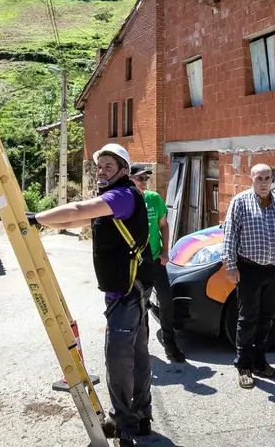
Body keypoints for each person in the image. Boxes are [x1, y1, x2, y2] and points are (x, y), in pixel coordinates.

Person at [29, 143, 151, 447]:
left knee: (118, 360)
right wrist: (41, 222)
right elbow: (76, 220)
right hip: (131, 291)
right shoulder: (110, 203)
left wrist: (35, 217)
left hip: (126, 294)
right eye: (99, 166)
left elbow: (77, 209)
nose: (101, 171)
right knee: (136, 355)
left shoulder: (121, 196)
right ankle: (141, 415)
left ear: (123, 171)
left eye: (109, 166)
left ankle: (124, 422)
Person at [222, 164, 275, 389]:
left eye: (267, 178)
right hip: (248, 270)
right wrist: (231, 266)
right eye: (259, 179)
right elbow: (230, 235)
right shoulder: (240, 202)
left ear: (272, 179)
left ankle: (259, 362)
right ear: (251, 180)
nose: (263, 183)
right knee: (247, 319)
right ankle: (243, 365)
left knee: (267, 317)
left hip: (272, 270)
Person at [129, 164, 185, 363]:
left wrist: (165, 251)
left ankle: (170, 345)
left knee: (166, 301)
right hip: (136, 263)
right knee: (140, 305)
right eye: (140, 178)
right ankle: (141, 348)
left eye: (146, 178)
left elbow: (164, 225)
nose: (144, 182)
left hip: (155, 260)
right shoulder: (126, 200)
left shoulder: (154, 199)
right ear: (129, 179)